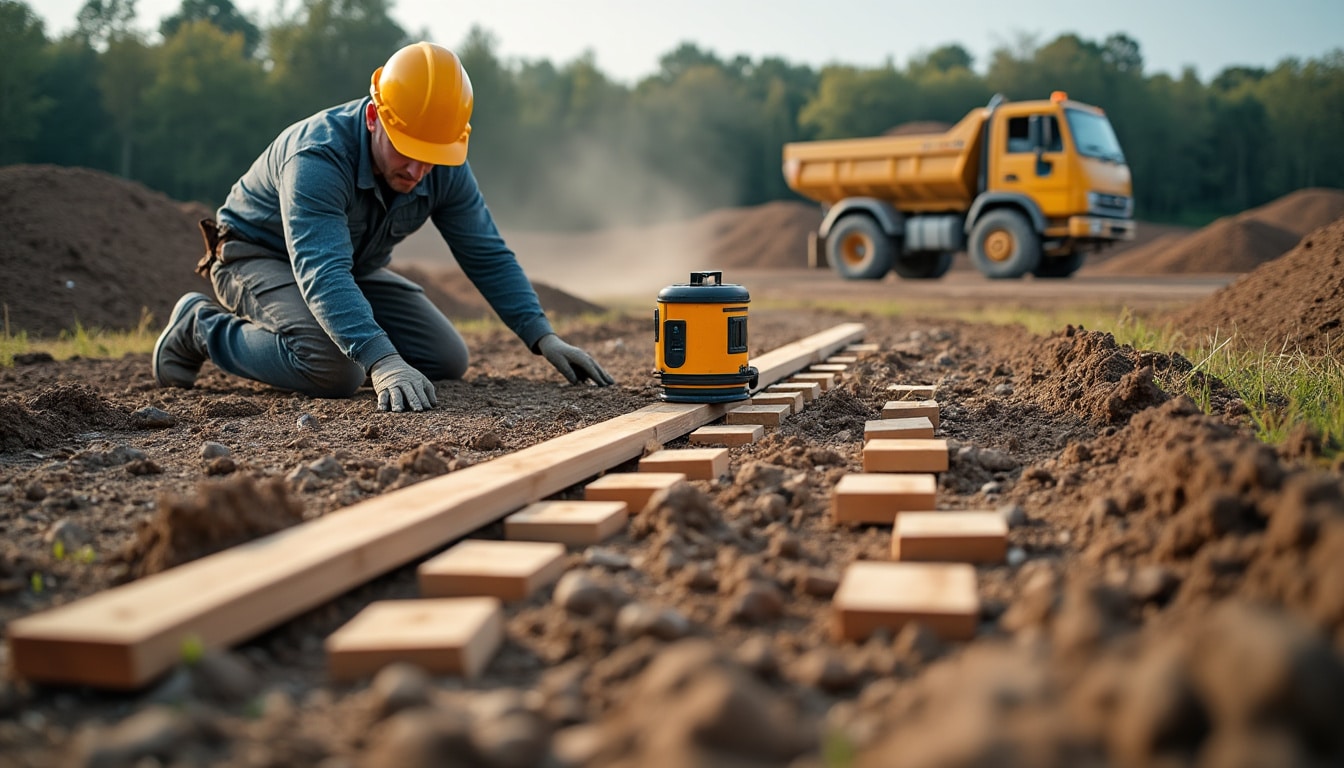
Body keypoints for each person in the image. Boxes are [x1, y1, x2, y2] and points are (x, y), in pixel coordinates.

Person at [152, 41, 613, 412]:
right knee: (336, 370)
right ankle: (199, 327)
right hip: (256, 256)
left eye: (430, 157)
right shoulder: (317, 158)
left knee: (446, 358)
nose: (416, 170)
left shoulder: (441, 160)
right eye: (404, 149)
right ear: (375, 117)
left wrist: (541, 334)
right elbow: (322, 271)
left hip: (350, 266)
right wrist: (382, 359)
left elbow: (485, 252)